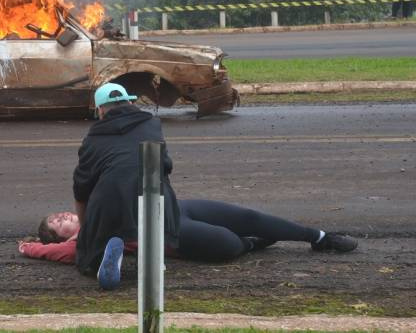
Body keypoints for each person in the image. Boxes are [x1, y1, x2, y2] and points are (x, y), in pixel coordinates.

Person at [19, 82, 358, 290]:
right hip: (156, 220)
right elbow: (54, 249)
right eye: (57, 224)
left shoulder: (97, 147)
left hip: (168, 210)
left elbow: (81, 189)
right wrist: (30, 247)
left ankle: (318, 237)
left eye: (58, 215)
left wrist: (84, 223)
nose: (62, 217)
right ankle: (255, 243)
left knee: (245, 216)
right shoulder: (84, 240)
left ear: (100, 110)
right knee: (228, 245)